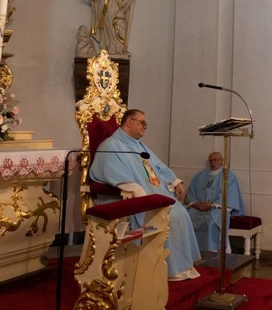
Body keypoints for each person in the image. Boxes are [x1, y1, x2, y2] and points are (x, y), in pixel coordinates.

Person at [89, 109, 202, 281]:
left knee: (181, 213)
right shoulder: (111, 146)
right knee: (169, 216)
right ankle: (164, 268)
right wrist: (136, 190)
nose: (145, 127)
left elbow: (158, 166)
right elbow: (109, 170)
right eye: (142, 123)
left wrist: (176, 181)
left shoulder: (138, 145)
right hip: (133, 197)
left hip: (155, 193)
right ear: (129, 122)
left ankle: (181, 266)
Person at [186, 151, 245, 252]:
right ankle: (192, 252)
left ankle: (211, 250)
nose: (213, 163)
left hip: (217, 209)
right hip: (198, 209)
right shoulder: (200, 176)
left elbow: (230, 197)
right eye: (211, 161)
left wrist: (211, 205)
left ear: (221, 161)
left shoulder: (229, 177)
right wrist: (195, 204)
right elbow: (191, 193)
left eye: (215, 160)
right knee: (186, 219)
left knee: (210, 223)